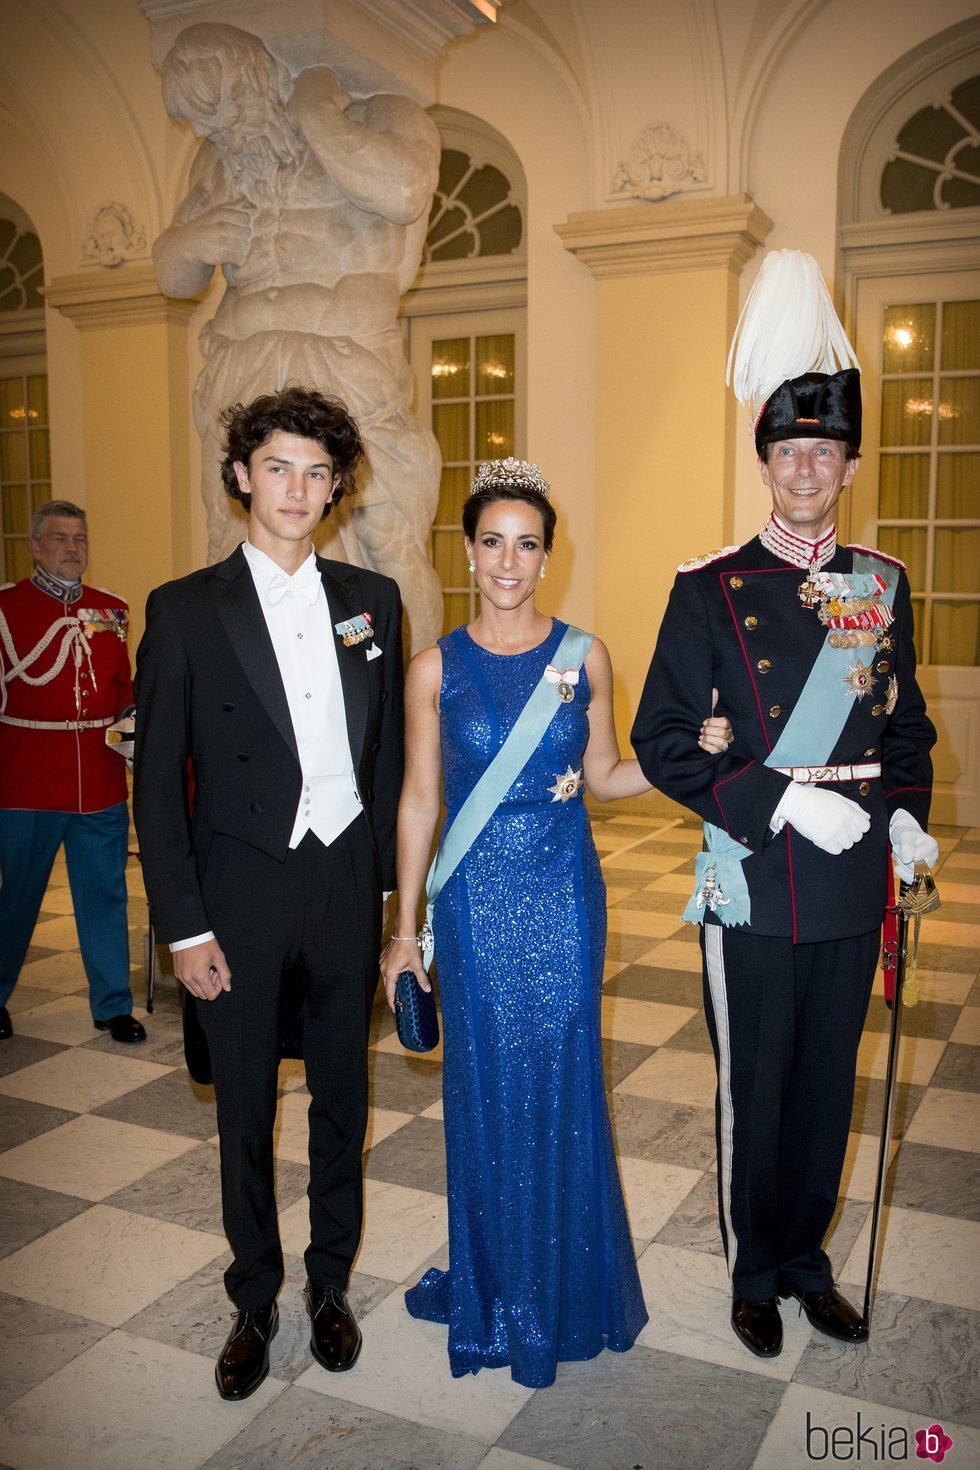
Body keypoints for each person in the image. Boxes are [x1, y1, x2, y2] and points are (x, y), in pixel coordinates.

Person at [631, 250, 938, 1359]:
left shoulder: (883, 586)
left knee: (822, 1080)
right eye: (786, 448)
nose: (804, 466)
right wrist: (776, 802)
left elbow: (904, 726)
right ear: (762, 460)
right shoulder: (707, 589)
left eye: (823, 449)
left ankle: (805, 1262)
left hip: (855, 874)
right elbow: (659, 741)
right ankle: (750, 1272)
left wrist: (903, 810)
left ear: (847, 465)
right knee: (750, 1083)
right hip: (756, 872)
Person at [381, 458, 733, 1389]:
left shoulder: (585, 656)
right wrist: (403, 930)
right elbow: (420, 800)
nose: (508, 561)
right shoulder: (434, 667)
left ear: (548, 556)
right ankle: (500, 1291)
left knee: (566, 1081)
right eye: (492, 542)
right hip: (472, 905)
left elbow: (610, 776)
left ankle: (567, 1289)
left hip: (564, 896)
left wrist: (681, 759)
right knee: (488, 1086)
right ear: (467, 550)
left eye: (526, 544)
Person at [133, 386, 404, 1400]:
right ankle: (254, 1295)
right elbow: (155, 783)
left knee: (343, 1099)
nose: (298, 489)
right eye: (278, 468)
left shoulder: (371, 603)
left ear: (338, 487)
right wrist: (183, 927)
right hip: (237, 894)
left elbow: (382, 762)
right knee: (243, 1109)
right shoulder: (185, 607)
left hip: (341, 885)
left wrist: (387, 907)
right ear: (243, 475)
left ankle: (329, 1285)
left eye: (318, 472)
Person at [153, 22, 444, 652]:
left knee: (386, 535)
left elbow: (400, 189)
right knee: (233, 538)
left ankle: (409, 698)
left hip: (347, 359)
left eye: (225, 108)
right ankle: (256, 684)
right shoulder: (220, 158)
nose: (216, 133)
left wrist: (315, 110)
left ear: (262, 76)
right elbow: (173, 276)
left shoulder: (378, 113)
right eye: (203, 122)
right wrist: (192, 241)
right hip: (243, 363)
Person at [0, 500, 142, 1045]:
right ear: (35, 546)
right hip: (25, 783)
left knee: (105, 895)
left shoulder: (112, 609)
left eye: (80, 538)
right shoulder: (8, 610)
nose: (72, 548)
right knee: (16, 897)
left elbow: (121, 691)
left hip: (99, 781)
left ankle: (112, 1005)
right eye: (59, 538)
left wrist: (134, 724)